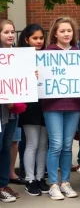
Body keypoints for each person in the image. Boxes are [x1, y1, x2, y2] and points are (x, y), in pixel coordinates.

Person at [43, 17, 80, 200]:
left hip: (74, 104)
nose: (67, 34)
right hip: (52, 105)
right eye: (63, 31)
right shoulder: (47, 53)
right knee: (56, 144)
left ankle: (65, 182)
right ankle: (53, 184)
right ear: (55, 33)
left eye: (69, 31)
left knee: (67, 145)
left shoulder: (79, 53)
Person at [17, 24, 49, 196]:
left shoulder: (48, 57)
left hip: (46, 103)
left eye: (41, 38)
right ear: (26, 39)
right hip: (30, 104)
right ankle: (29, 179)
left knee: (44, 144)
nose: (38, 41)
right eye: (35, 38)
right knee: (32, 143)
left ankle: (39, 177)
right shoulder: (20, 58)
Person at [0, 20, 21, 202]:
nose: (10, 35)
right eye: (6, 32)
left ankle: (3, 184)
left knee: (6, 148)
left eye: (12, 32)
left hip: (12, 112)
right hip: (1, 111)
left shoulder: (17, 55)